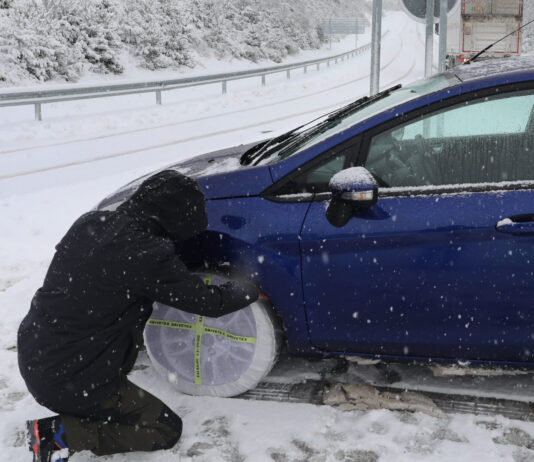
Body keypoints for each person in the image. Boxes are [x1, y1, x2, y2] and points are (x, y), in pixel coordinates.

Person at [18, 170, 259, 462]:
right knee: (166, 429)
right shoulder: (145, 253)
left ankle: (76, 410)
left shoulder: (91, 223)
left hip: (36, 352)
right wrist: (250, 288)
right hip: (73, 378)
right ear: (176, 219)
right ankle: (61, 435)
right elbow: (209, 302)